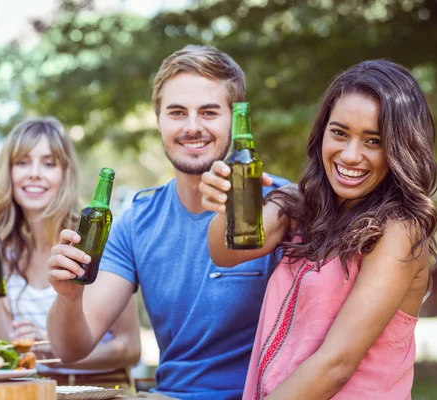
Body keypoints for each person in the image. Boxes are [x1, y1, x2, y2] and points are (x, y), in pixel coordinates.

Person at [46, 45, 290, 399]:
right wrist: (68, 297)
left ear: (235, 120)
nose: (193, 127)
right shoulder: (137, 221)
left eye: (209, 112)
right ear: (158, 119)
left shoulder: (281, 204)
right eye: (177, 112)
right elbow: (72, 348)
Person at [200, 60, 437, 399]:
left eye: (373, 141)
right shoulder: (298, 206)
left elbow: (337, 364)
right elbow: (225, 252)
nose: (350, 154)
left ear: (400, 149)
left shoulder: (400, 231)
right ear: (322, 133)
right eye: (340, 133)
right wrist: (226, 203)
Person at [0, 117, 140, 390]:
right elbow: (0, 346)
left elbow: (130, 348)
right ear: (8, 173)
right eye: (22, 162)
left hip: (101, 391)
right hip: (38, 391)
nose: (34, 173)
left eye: (49, 163)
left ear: (65, 174)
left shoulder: (94, 240)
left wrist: (53, 352)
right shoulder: (6, 252)